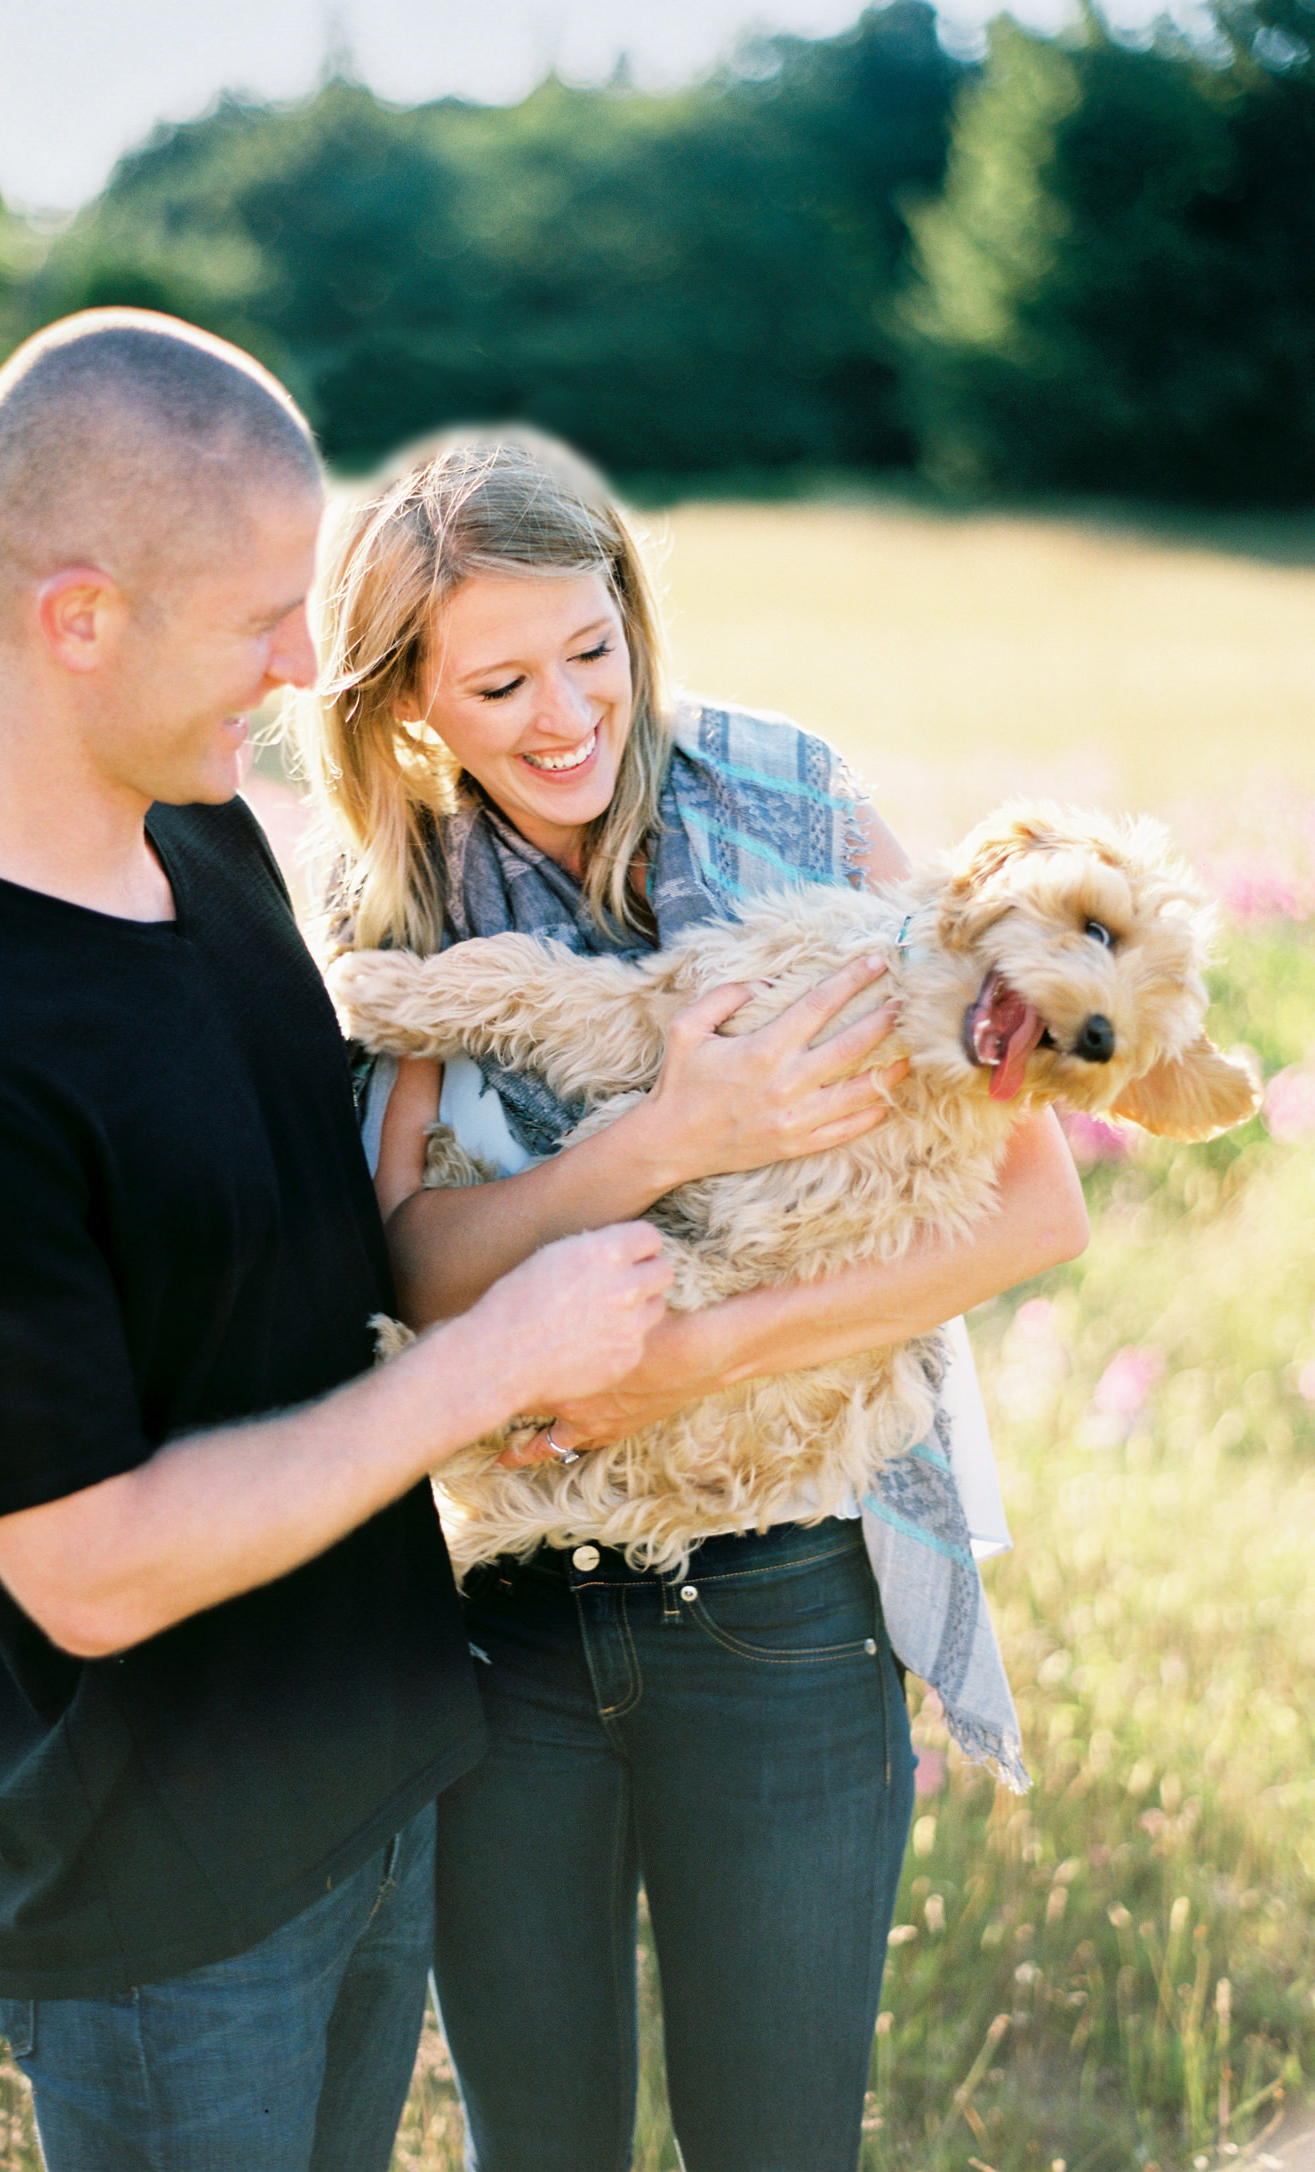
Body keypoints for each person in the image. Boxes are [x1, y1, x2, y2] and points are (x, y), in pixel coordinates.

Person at [0, 316, 678, 2172]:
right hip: (168, 1914)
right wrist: (490, 1367)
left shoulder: (205, 844)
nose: (306, 668)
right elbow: (94, 1572)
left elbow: (304, 1267)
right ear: (78, 618)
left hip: (376, 1788)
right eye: (258, 617)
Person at [299, 432, 1091, 2172]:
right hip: (502, 1619)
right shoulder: (400, 893)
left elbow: (1036, 1206)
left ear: (630, 610)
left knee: (776, 2142)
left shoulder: (794, 797)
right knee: (543, 2146)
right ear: (409, 703)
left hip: (784, 1598)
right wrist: (666, 1136)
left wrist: (695, 1358)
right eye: (498, 682)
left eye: (593, 648)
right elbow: (412, 1267)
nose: (568, 712)